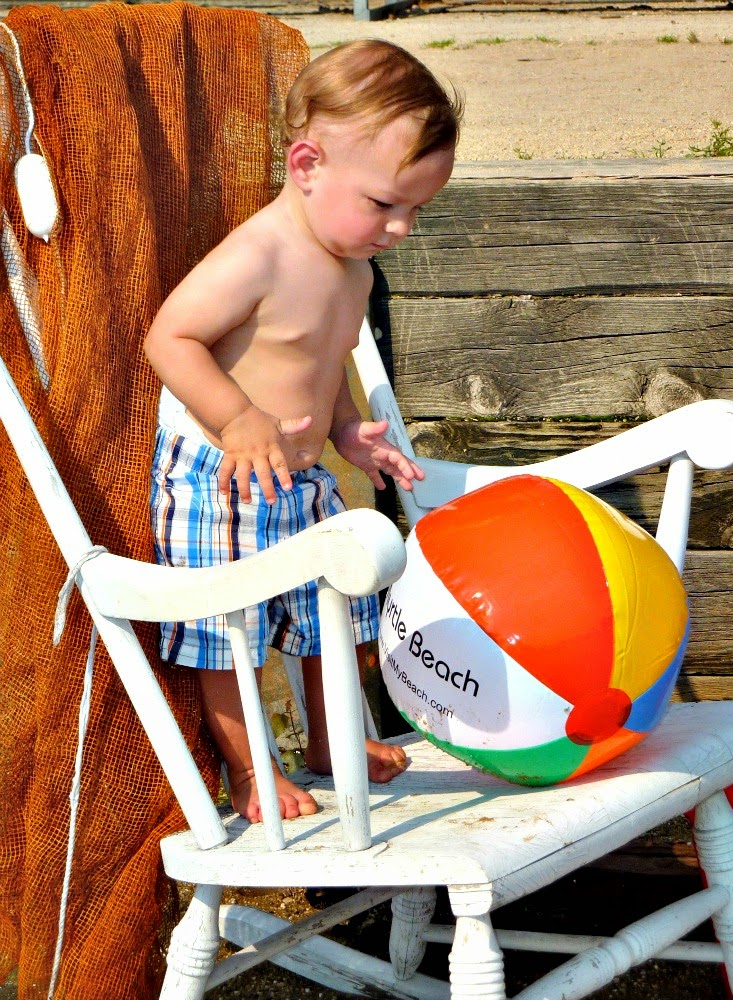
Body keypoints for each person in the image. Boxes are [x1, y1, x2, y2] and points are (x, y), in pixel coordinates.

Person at [144, 39, 463, 823]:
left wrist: (348, 429)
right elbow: (169, 339)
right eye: (384, 203)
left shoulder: (354, 268)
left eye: (417, 210)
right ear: (307, 164)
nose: (401, 228)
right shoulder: (259, 254)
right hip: (219, 475)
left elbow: (324, 362)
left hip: (299, 474)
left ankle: (332, 740)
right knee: (229, 631)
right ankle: (251, 770)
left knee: (335, 614)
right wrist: (237, 418)